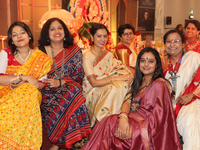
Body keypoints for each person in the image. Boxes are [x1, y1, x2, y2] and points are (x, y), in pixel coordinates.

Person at [82, 47, 181, 150]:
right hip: (130, 119)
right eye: (143, 61)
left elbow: (159, 118)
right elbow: (127, 101)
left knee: (109, 131)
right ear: (138, 63)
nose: (146, 64)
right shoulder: (138, 81)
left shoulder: (160, 84)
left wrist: (136, 131)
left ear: (156, 65)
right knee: (106, 123)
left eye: (150, 61)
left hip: (146, 129)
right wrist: (123, 118)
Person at [38, 18, 91, 150]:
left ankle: (56, 145)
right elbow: (34, 74)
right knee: (72, 94)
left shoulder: (74, 50)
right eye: (52, 28)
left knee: (73, 91)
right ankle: (64, 142)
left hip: (67, 88)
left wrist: (60, 82)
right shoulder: (38, 51)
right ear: (47, 32)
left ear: (64, 31)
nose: (57, 31)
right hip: (45, 90)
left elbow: (78, 76)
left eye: (60, 28)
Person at [0, 21, 53, 149]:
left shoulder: (40, 58)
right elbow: (0, 79)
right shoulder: (6, 53)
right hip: (6, 93)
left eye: (22, 32)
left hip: (30, 96)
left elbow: (40, 85)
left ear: (29, 36)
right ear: (12, 40)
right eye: (15, 34)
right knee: (28, 87)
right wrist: (24, 77)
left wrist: (24, 84)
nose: (19, 36)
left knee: (28, 89)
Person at [82, 23, 133, 127]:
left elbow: (120, 67)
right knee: (113, 88)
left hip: (106, 85)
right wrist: (116, 78)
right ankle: (104, 121)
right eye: (99, 36)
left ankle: (116, 118)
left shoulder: (108, 54)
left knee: (123, 85)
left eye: (105, 36)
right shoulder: (88, 56)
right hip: (92, 90)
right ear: (92, 37)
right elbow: (94, 82)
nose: (103, 39)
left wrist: (128, 76)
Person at [163, 29, 200, 150]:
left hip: (191, 100)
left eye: (176, 41)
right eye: (169, 41)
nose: (172, 44)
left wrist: (192, 94)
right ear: (164, 45)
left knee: (190, 122)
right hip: (168, 106)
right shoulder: (162, 64)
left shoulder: (193, 58)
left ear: (183, 44)